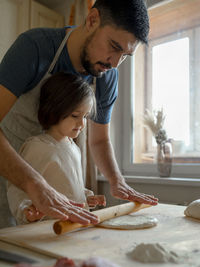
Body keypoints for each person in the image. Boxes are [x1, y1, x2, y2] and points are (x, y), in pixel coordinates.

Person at [0, 0, 158, 228]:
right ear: (92, 20)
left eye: (125, 55)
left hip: (56, 202)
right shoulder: (34, 48)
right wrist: (35, 184)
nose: (115, 63)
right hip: (8, 181)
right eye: (114, 46)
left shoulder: (107, 75)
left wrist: (116, 180)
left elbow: (100, 140)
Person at [7, 72, 106, 224]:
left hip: (73, 229)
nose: (82, 124)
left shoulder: (74, 149)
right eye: (75, 115)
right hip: (48, 230)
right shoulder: (37, 147)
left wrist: (86, 197)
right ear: (54, 109)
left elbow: (69, 186)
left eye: (85, 116)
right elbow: (17, 189)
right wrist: (26, 210)